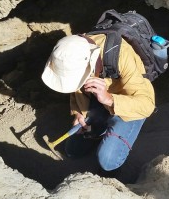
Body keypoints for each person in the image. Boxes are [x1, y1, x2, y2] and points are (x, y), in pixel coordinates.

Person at [41, 34, 155, 172]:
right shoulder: (71, 52)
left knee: (108, 160)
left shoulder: (121, 55)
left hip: (129, 104)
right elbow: (75, 89)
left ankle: (112, 142)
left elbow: (147, 105)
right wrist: (78, 113)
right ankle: (101, 129)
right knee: (73, 150)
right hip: (99, 98)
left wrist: (109, 100)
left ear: (93, 62)